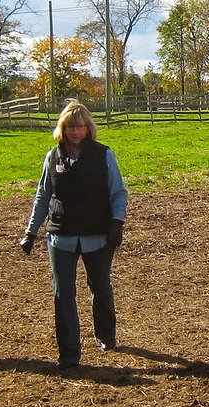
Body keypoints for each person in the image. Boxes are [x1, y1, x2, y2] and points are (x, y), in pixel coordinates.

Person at [19, 100, 128, 369]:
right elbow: (43, 195)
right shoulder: (52, 157)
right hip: (61, 236)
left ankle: (106, 334)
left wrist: (117, 222)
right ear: (63, 129)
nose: (75, 132)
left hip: (98, 236)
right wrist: (31, 231)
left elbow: (118, 192)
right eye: (70, 127)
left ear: (88, 128)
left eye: (80, 127)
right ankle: (69, 352)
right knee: (63, 293)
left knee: (100, 286)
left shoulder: (104, 155)